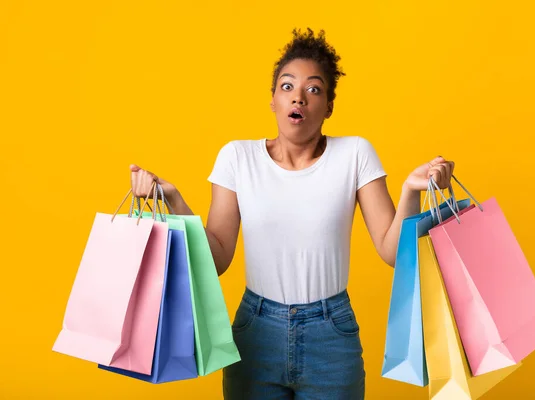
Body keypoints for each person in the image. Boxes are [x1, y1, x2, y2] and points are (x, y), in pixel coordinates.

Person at [129, 28, 454, 400]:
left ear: (329, 105)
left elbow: (393, 251)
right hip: (256, 331)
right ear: (272, 100)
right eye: (287, 86)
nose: (298, 96)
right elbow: (216, 257)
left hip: (331, 334)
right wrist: (173, 200)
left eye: (313, 89)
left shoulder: (356, 155)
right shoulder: (237, 157)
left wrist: (411, 192)